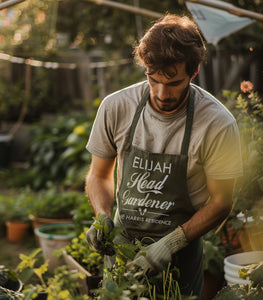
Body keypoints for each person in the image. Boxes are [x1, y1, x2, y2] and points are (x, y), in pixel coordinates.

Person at [85, 13, 243, 299]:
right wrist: (102, 217)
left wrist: (171, 244)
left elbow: (222, 202)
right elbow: (98, 175)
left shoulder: (216, 123)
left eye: (173, 82)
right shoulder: (116, 107)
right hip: (123, 252)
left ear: (193, 72)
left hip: (180, 259)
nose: (161, 93)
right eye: (153, 79)